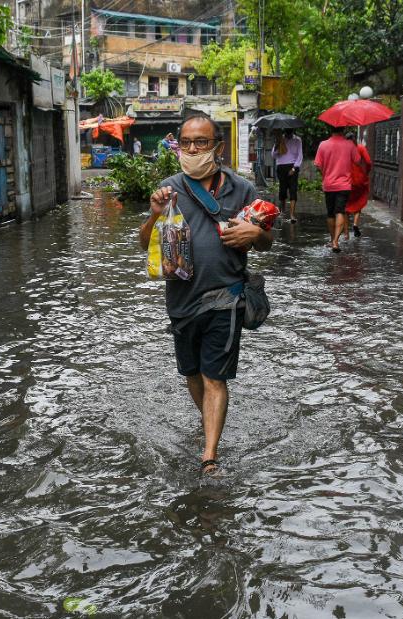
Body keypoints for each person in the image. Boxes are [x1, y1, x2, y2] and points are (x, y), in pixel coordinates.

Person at [139, 114, 273, 475]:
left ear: (218, 146)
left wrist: (253, 234)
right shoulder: (168, 189)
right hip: (181, 300)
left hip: (227, 296)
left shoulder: (242, 190)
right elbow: (143, 243)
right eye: (186, 142)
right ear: (178, 146)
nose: (193, 149)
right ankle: (211, 422)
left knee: (215, 378)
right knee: (193, 374)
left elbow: (266, 241)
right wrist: (153, 216)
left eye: (201, 142)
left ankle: (209, 455)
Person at [313, 125, 360, 252]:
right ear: (343, 130)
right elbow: (357, 160)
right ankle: (336, 241)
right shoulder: (349, 144)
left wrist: (325, 174)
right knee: (340, 211)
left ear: (330, 130)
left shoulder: (323, 145)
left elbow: (317, 164)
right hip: (344, 184)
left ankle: (332, 239)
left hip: (329, 184)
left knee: (330, 213)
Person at [344, 132, 372, 238]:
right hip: (360, 180)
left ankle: (346, 234)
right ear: (355, 138)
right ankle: (355, 224)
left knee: (346, 206)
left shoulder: (344, 150)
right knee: (358, 202)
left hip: (347, 180)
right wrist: (366, 172)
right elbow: (369, 162)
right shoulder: (360, 148)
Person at [272, 129, 303, 223]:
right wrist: (277, 145)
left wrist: (294, 168)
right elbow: (273, 155)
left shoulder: (297, 140)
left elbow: (300, 155)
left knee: (293, 190)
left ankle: (292, 214)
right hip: (281, 167)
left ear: (293, 131)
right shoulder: (280, 139)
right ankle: (282, 211)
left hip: (293, 166)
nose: (288, 133)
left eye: (290, 132)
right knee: (282, 190)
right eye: (286, 132)